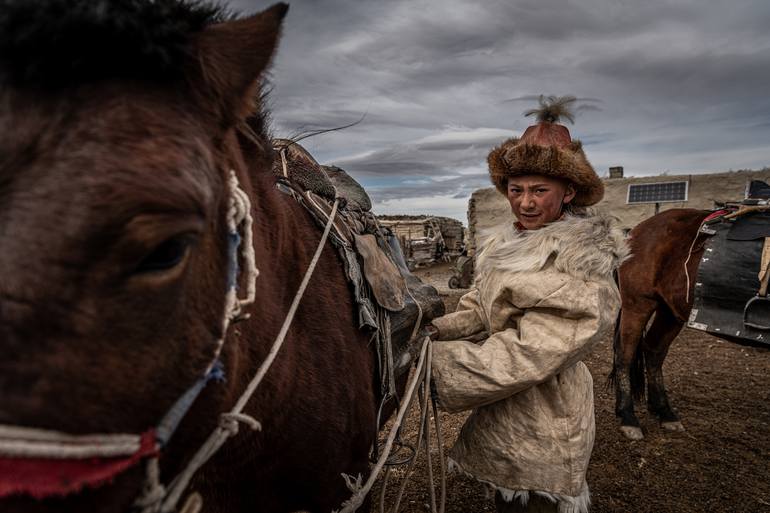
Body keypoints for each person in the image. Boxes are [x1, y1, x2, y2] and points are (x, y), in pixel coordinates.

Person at [425, 98, 629, 513]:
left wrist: (431, 367)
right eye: (516, 190)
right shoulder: (508, 245)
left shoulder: (582, 263)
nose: (526, 203)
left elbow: (532, 350)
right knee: (506, 495)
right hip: (500, 398)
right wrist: (433, 332)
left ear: (568, 192)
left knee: (536, 499)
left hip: (547, 409)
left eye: (539, 190)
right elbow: (481, 307)